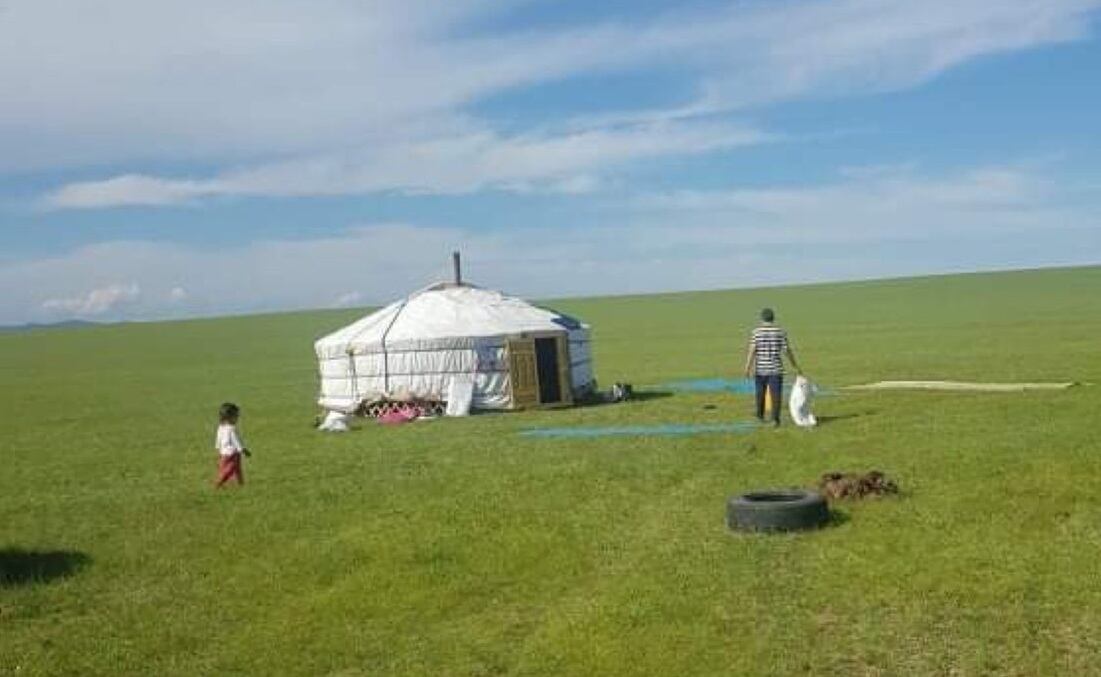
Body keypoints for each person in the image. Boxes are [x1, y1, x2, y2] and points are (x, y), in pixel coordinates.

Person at [743, 308, 803, 426]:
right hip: (776, 369)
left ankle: (760, 416)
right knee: (776, 395)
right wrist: (794, 364)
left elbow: (752, 350)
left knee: (760, 393)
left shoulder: (756, 332)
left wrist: (747, 367)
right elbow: (786, 350)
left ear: (762, 318)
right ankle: (775, 419)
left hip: (760, 369)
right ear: (773, 318)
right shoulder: (780, 332)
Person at [214, 402, 251, 487]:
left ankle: (240, 483)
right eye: (236, 416)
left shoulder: (221, 427)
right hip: (233, 454)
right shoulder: (232, 429)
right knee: (230, 469)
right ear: (229, 417)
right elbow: (236, 441)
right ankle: (218, 483)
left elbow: (218, 439)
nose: (237, 418)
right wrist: (243, 450)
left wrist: (218, 447)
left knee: (235, 469)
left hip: (224, 452)